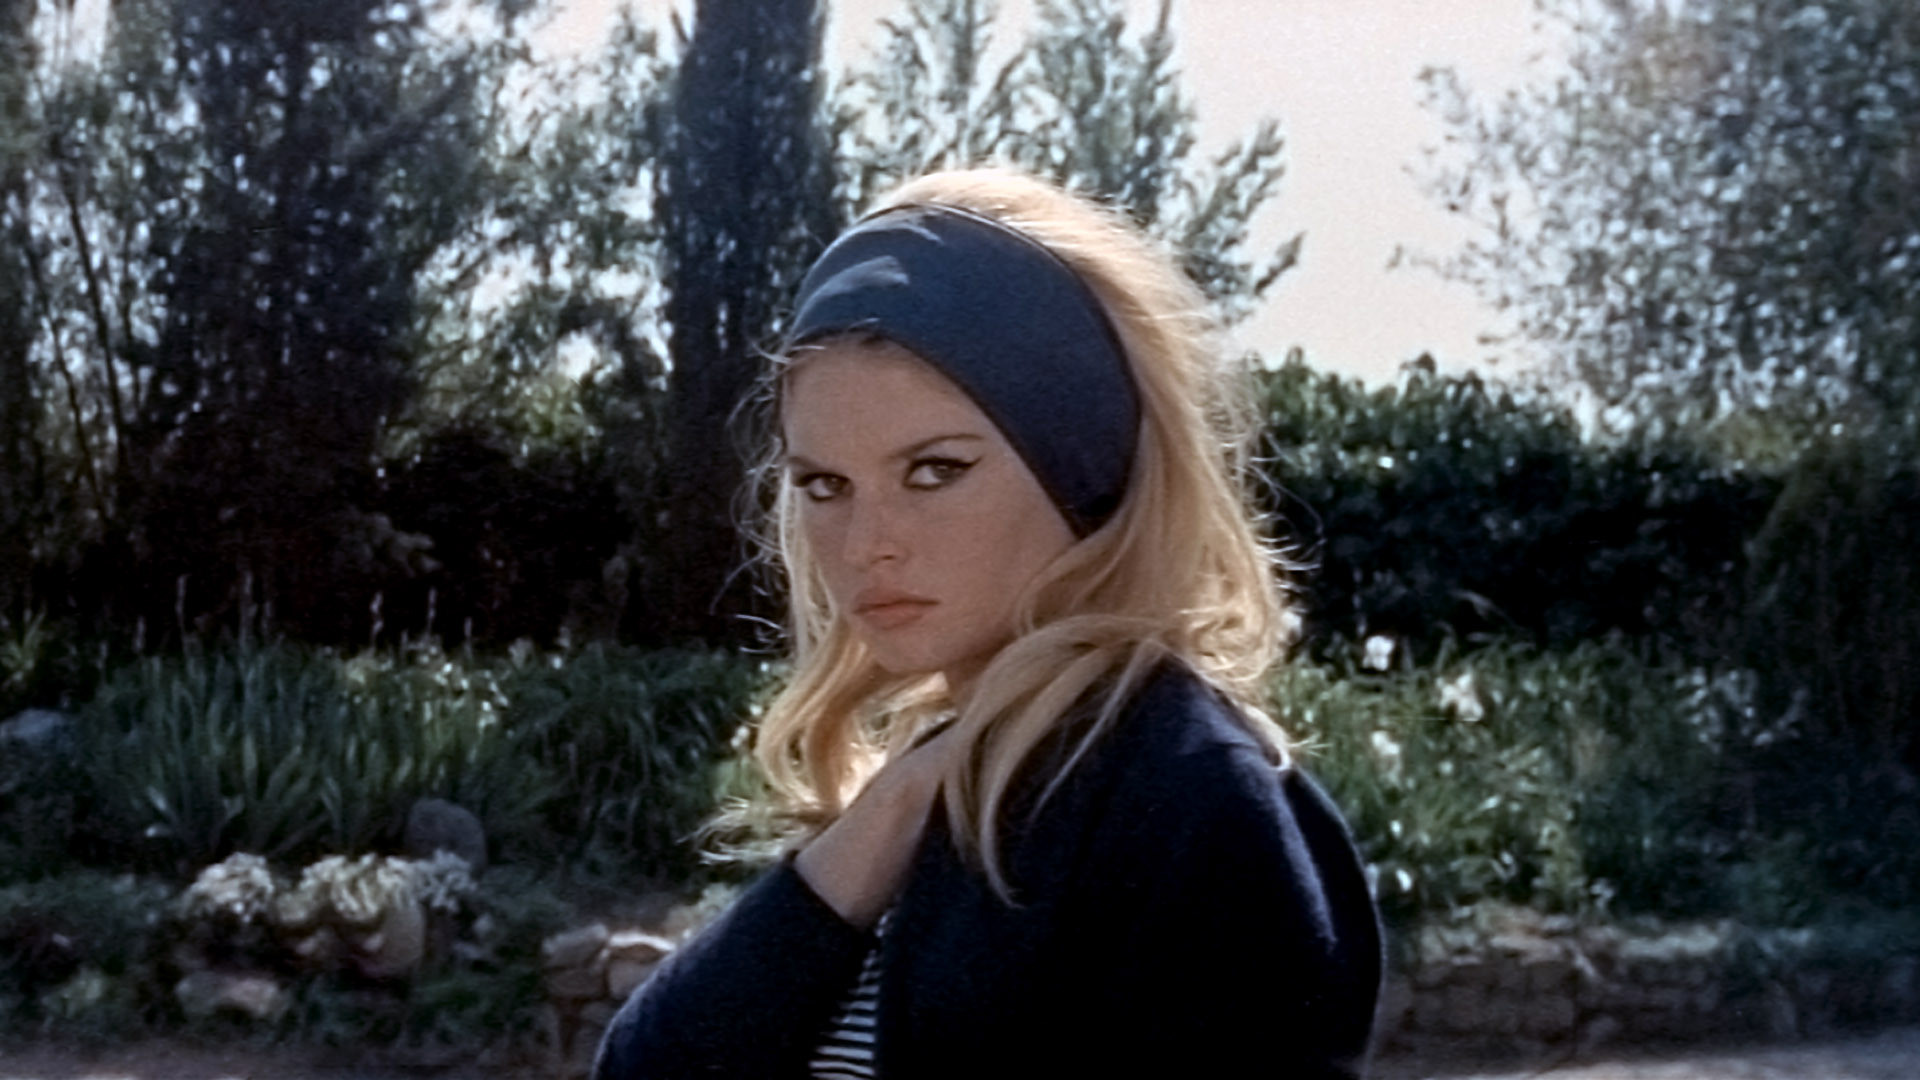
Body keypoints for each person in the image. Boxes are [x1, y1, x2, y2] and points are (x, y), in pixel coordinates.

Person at [593, 169, 1383, 1080]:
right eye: (825, 485)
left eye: (934, 471)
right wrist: (884, 817)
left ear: (1081, 468)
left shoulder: (1188, 796)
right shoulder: (934, 784)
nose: (867, 543)